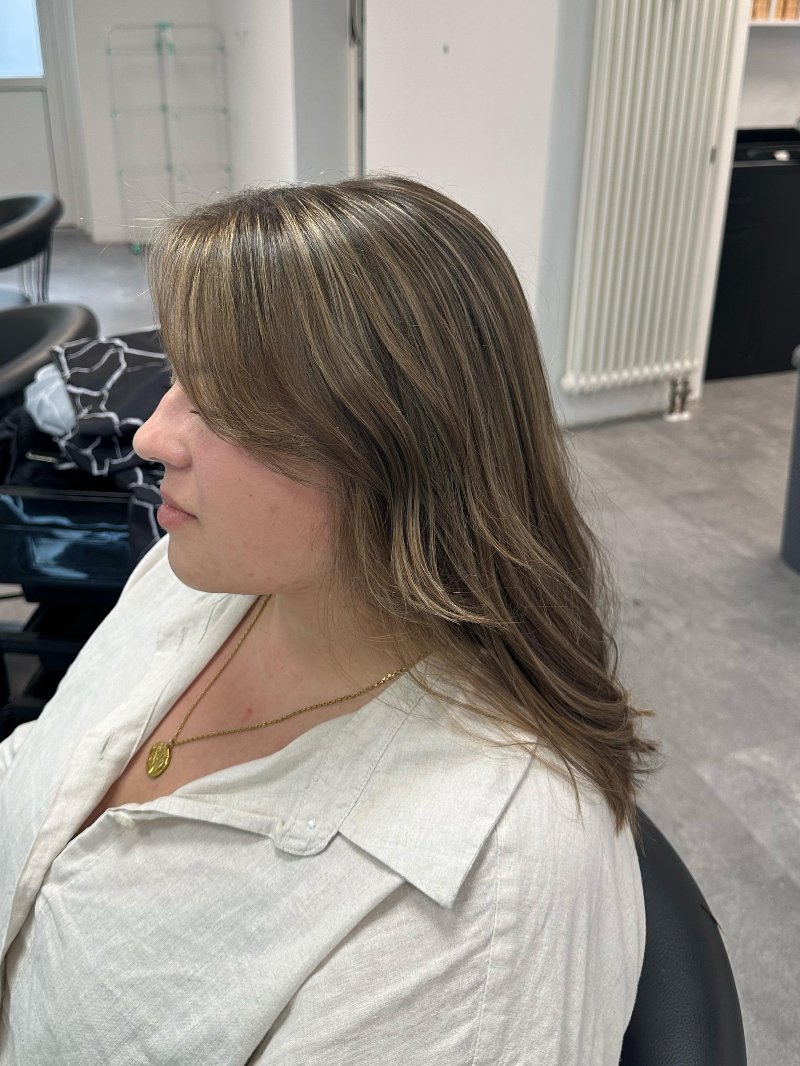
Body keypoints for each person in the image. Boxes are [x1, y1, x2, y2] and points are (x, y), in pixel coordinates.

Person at [0, 176, 657, 1065]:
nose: (149, 437)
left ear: (393, 448)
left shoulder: (476, 911)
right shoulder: (202, 573)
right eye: (175, 376)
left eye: (216, 403)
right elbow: (43, 764)